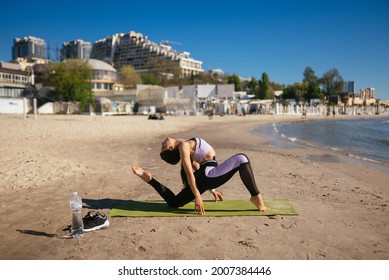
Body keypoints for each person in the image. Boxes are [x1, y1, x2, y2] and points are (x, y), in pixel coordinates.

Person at [132, 137, 269, 215]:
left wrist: (213, 190)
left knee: (174, 202)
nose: (162, 143)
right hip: (207, 174)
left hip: (206, 175)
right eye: (163, 147)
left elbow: (200, 170)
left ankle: (149, 179)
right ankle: (256, 197)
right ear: (171, 148)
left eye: (161, 146)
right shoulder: (184, 146)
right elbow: (189, 172)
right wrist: (197, 196)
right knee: (242, 158)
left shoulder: (183, 144)